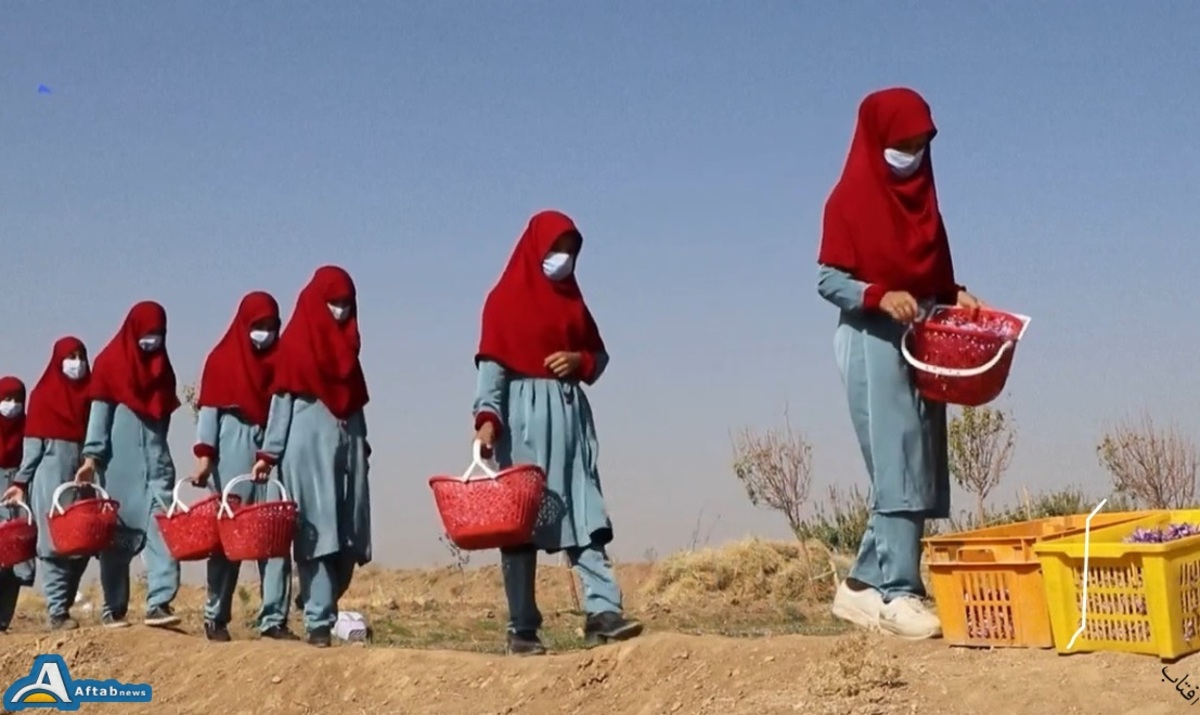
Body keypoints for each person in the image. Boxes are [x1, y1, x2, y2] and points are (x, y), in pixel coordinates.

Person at [817, 87, 982, 640]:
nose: (910, 153)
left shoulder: (926, 207)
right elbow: (829, 279)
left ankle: (862, 587)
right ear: (875, 141)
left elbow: (930, 276)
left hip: (923, 340)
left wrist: (954, 294)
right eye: (900, 144)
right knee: (898, 459)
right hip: (872, 340)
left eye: (919, 144)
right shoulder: (848, 201)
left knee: (920, 459)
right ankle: (899, 593)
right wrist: (878, 295)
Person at [473, 209, 642, 656]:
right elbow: (491, 372)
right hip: (523, 429)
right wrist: (487, 422)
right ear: (535, 249)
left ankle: (603, 612)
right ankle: (522, 629)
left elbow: (598, 356)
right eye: (556, 250)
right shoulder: (502, 301)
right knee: (520, 528)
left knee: (585, 516)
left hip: (570, 425)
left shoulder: (572, 302)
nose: (563, 259)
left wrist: (578, 361)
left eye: (570, 252)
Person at [250, 265, 371, 648]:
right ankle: (319, 622)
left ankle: (319, 602)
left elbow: (356, 404)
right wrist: (269, 454)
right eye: (332, 303)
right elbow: (280, 406)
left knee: (348, 535)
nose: (339, 311)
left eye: (346, 304)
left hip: (347, 451)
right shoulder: (295, 348)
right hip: (305, 451)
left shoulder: (349, 353)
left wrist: (361, 445)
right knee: (317, 533)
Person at [191, 291, 295, 642]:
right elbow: (209, 413)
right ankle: (215, 617)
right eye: (257, 326)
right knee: (228, 536)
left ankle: (274, 620)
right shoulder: (220, 360)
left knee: (274, 533)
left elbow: (282, 409)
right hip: (231, 443)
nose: (264, 333)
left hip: (269, 448)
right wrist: (205, 458)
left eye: (270, 326)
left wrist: (269, 454)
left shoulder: (283, 361)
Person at [75, 301, 182, 629]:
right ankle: (113, 608)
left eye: (158, 334)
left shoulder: (162, 371)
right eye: (147, 334)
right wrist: (91, 458)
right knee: (116, 542)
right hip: (119, 470)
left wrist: (162, 461)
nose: (152, 340)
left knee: (163, 533)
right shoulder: (110, 365)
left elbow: (162, 422)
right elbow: (99, 418)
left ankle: (159, 602)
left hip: (156, 469)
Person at [8, 338, 92, 630]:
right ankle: (57, 611)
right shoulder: (43, 397)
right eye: (71, 356)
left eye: (81, 356)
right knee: (54, 545)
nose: (77, 362)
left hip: (81, 482)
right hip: (50, 480)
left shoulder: (90, 397)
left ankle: (64, 604)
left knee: (83, 543)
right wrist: (21, 482)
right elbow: (32, 451)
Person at [0, 376, 30, 632]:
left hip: (20, 488)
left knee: (16, 557)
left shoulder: (29, 429)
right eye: (6, 399)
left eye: (18, 400)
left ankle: (2, 620)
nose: (12, 405)